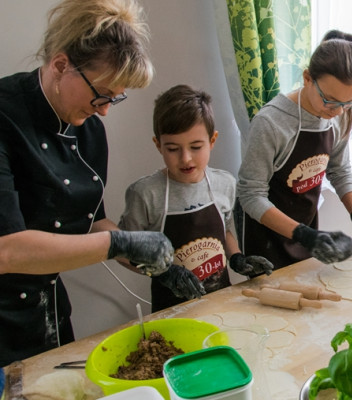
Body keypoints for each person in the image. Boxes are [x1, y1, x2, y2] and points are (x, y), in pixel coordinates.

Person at [0, 0, 175, 367]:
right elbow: (7, 250)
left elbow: (92, 222)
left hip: (49, 308)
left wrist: (156, 265)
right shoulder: (4, 117)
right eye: (102, 94)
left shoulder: (89, 129)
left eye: (116, 98)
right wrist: (118, 243)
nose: (105, 109)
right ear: (62, 65)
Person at [119, 85, 273, 312]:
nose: (186, 158)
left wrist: (237, 258)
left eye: (196, 146)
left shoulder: (225, 183)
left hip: (222, 301)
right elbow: (123, 252)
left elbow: (225, 230)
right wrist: (163, 272)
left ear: (212, 140)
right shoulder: (146, 193)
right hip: (172, 312)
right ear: (158, 145)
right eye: (172, 149)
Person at [238, 30, 352, 269]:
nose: (338, 111)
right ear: (308, 78)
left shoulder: (337, 115)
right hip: (267, 239)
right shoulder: (271, 123)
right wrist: (304, 234)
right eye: (329, 100)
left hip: (306, 231)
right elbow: (251, 196)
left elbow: (339, 170)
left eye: (348, 103)